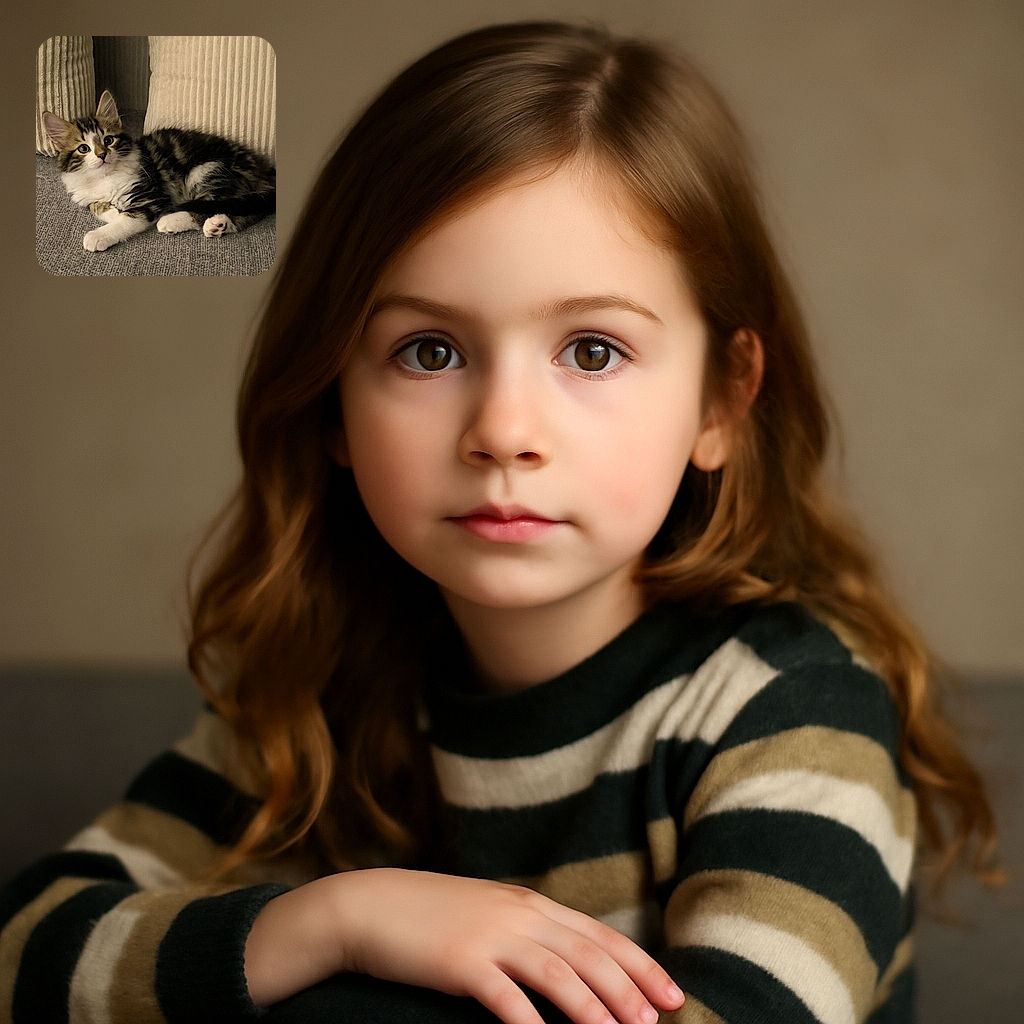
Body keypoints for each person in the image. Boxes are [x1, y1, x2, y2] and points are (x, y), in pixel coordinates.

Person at [1, 21, 999, 1024]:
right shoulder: (318, 695)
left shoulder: (792, 709)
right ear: (331, 400)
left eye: (594, 351)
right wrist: (338, 921)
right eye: (429, 351)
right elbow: (23, 954)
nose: (505, 432)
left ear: (719, 402)